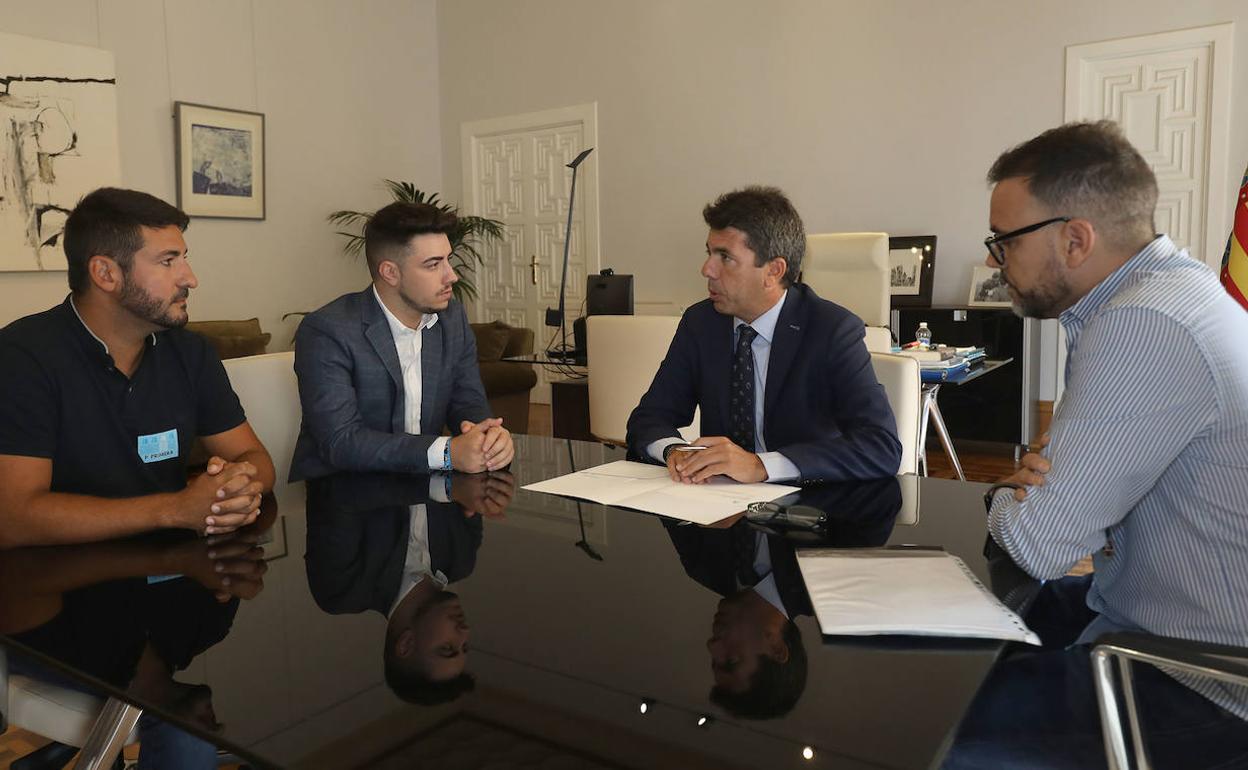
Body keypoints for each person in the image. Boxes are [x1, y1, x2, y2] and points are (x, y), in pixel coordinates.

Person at [945, 121, 1248, 768]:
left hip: (1198, 676)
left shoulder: (1145, 323)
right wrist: (1046, 490)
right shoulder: (1178, 292)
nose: (997, 265)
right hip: (1143, 605)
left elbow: (1038, 544)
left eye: (1003, 242)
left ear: (1075, 239)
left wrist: (1003, 489)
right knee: (948, 646)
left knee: (927, 731)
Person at [0, 187, 274, 549]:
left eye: (185, 258)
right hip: (65, 581)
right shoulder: (22, 357)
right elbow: (14, 519)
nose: (190, 278)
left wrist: (235, 488)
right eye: (167, 261)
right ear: (106, 273)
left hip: (181, 569)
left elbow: (256, 459)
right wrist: (175, 509)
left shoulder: (192, 352)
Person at [626, 186, 900, 485]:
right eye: (709, 253)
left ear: (773, 270)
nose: (707, 269)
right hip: (720, 510)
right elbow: (648, 418)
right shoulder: (701, 323)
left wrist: (761, 466)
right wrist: (674, 450)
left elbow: (880, 446)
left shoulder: (831, 330)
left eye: (725, 257)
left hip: (809, 511)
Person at [290, 201, 514, 481]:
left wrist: (489, 437)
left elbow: (467, 401)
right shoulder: (328, 331)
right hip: (342, 495)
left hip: (421, 483)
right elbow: (341, 441)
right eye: (433, 265)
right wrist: (447, 453)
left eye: (448, 259)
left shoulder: (451, 318)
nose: (451, 276)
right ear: (390, 273)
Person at [305, 471, 513, 705]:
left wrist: (445, 488)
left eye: (447, 647)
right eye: (465, 646)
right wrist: (497, 488)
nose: (464, 632)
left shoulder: (343, 590)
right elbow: (479, 475)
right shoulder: (461, 559)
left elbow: (336, 489)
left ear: (406, 644)